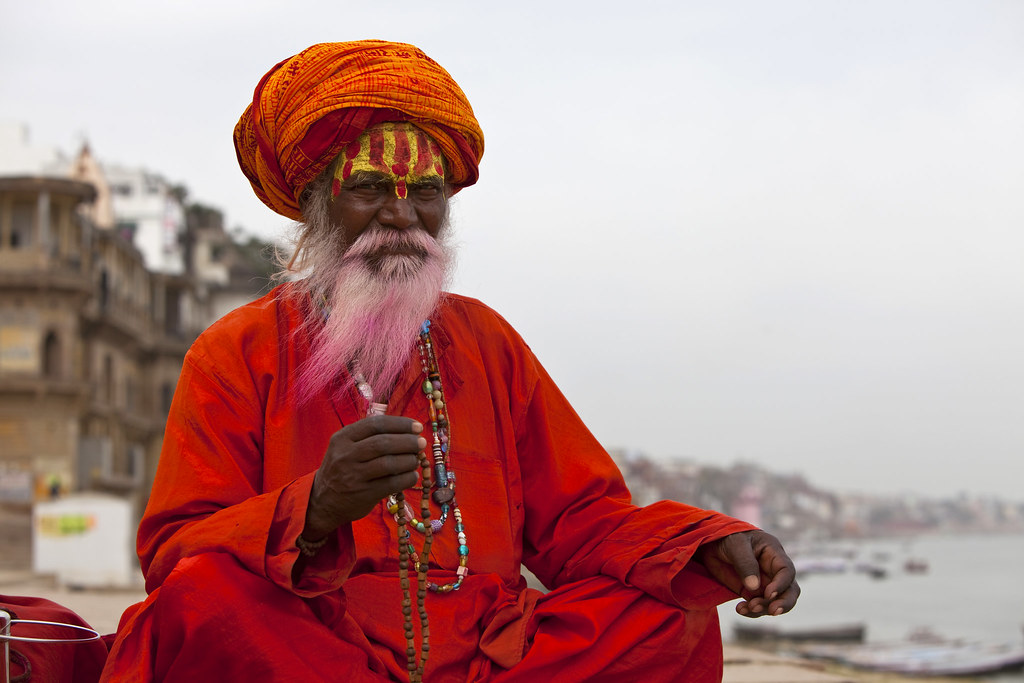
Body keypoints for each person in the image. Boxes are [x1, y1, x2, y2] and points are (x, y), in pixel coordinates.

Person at [100, 40, 799, 682]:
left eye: (426, 192)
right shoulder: (236, 353)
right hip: (314, 652)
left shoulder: (486, 342)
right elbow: (175, 553)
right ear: (317, 203)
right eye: (370, 187)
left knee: (669, 610)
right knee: (200, 600)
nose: (402, 215)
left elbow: (584, 520)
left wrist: (710, 543)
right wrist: (311, 512)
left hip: (489, 659)